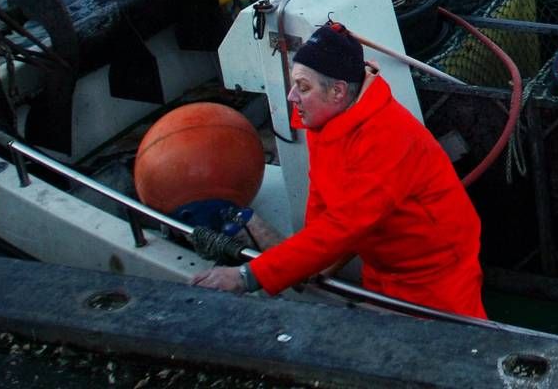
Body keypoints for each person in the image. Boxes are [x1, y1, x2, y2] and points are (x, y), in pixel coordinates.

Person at [193, 19, 486, 318]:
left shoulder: (387, 139)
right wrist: (310, 264)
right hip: (381, 266)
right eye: (294, 83)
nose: (292, 97)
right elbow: (321, 195)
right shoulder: (326, 122)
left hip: (435, 275)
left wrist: (248, 276)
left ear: (338, 92)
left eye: (303, 87)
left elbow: (343, 227)